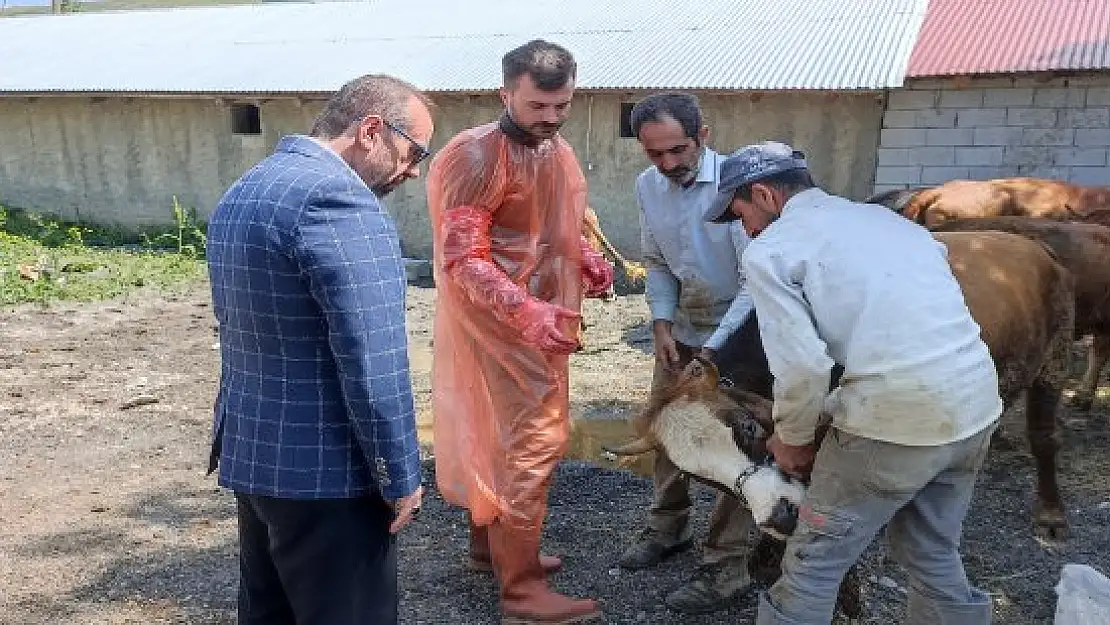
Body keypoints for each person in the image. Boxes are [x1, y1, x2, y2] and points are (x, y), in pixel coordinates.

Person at [703, 141, 1002, 624]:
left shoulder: (773, 251)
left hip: (895, 424)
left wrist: (794, 440)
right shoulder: (888, 223)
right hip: (975, 406)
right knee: (931, 551)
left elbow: (803, 369)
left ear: (763, 194)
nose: (746, 229)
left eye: (741, 215)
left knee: (812, 563)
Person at [205, 74, 434, 625]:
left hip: (255, 457)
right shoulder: (339, 202)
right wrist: (400, 473)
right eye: (414, 151)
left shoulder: (250, 186)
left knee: (269, 614)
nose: (415, 170)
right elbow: (372, 359)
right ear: (372, 131)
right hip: (328, 474)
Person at [424, 39, 613, 624]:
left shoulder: (552, 149)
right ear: (506, 92)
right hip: (502, 323)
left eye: (562, 106)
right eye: (537, 106)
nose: (551, 119)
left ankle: (492, 551)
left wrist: (582, 255)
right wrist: (525, 311)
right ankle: (522, 592)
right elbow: (465, 258)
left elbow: (556, 220)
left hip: (540, 317)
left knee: (494, 432)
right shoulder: (477, 157)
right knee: (530, 443)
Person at [616, 92, 759, 614]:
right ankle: (667, 526)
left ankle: (727, 563)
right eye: (656, 154)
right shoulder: (647, 187)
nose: (669, 164)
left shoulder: (739, 185)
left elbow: (754, 283)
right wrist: (660, 324)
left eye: (679, 149)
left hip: (745, 338)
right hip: (682, 333)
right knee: (669, 430)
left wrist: (715, 350)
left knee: (738, 444)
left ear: (705, 135)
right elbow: (655, 262)